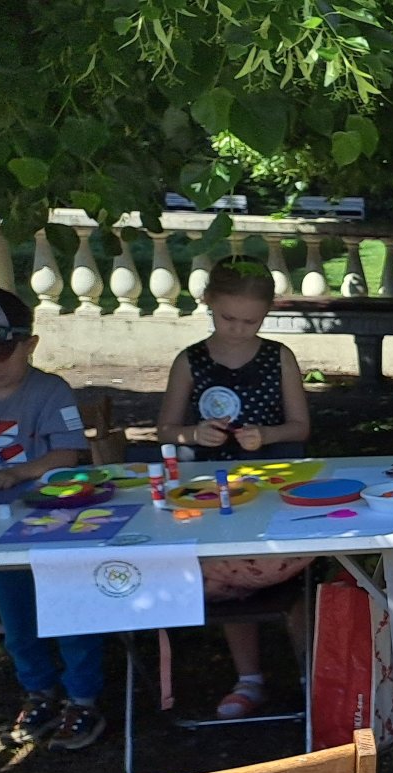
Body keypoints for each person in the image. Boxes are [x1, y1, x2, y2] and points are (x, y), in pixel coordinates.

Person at [155, 258, 312, 719]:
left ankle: (310, 673)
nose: (240, 329)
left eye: (252, 321)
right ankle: (249, 678)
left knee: (296, 576)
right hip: (209, 494)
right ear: (208, 303)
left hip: (271, 489)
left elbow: (300, 425)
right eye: (229, 319)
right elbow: (165, 428)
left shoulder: (278, 356)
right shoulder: (190, 360)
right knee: (230, 581)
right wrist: (191, 434)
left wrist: (267, 436)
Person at [0, 287, 108, 751]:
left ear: (29, 344)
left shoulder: (49, 390)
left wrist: (13, 472)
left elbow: (69, 452)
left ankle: (83, 698)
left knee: (70, 610)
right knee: (17, 618)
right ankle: (38, 693)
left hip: (56, 521)